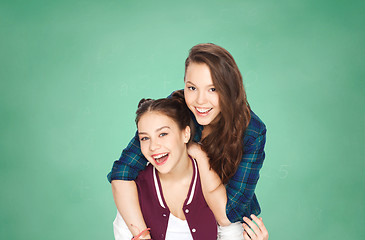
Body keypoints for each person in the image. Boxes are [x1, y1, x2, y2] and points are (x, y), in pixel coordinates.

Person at [108, 43, 267, 239]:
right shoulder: (177, 107)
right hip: (176, 197)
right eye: (192, 87)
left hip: (223, 217)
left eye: (213, 89)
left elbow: (228, 215)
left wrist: (199, 154)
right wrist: (141, 235)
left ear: (230, 90)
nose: (200, 101)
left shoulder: (252, 131)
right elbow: (123, 171)